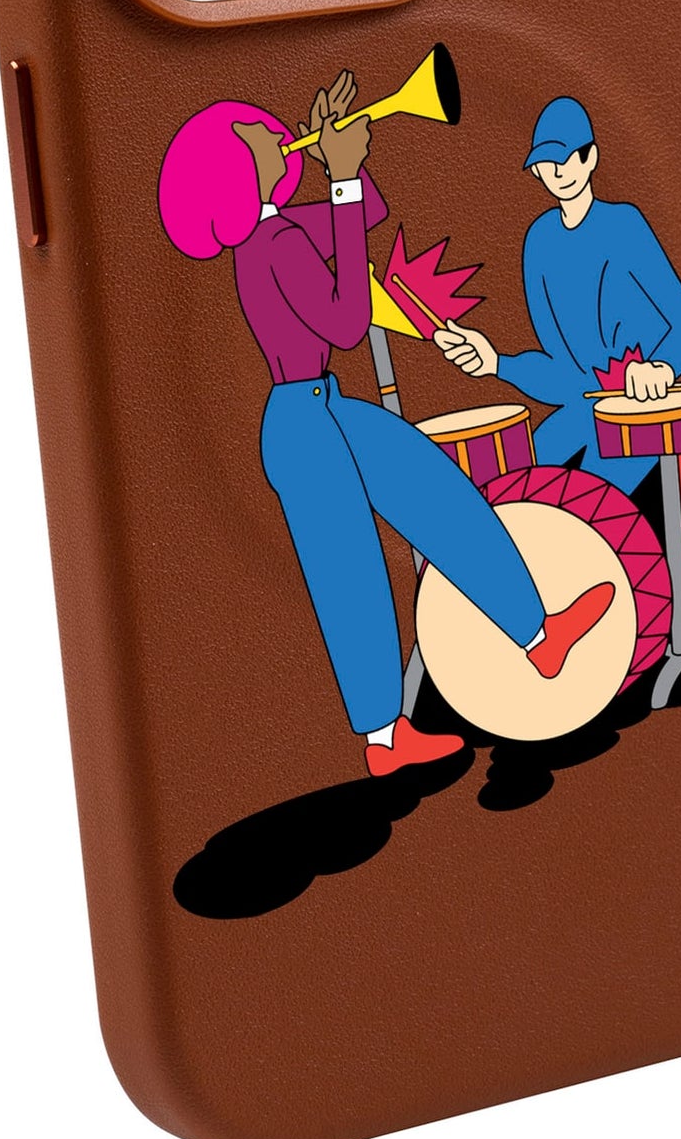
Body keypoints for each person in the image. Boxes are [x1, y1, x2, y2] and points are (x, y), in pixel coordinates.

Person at [158, 72, 615, 778]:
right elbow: (346, 322)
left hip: (323, 406)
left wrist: (341, 171)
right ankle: (383, 735)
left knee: (438, 493)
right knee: (350, 571)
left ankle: (537, 633)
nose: (277, 136)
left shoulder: (278, 230)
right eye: (259, 138)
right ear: (236, 175)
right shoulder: (272, 245)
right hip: (303, 422)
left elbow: (365, 214)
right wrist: (338, 180)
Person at [433, 96, 681, 495]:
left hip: (639, 413)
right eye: (548, 163)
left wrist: (661, 369)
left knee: (589, 506)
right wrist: (496, 363)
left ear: (591, 158)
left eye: (570, 158)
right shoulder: (539, 242)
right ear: (537, 171)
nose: (560, 171)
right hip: (581, 411)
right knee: (509, 494)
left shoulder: (624, 225)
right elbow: (563, 375)